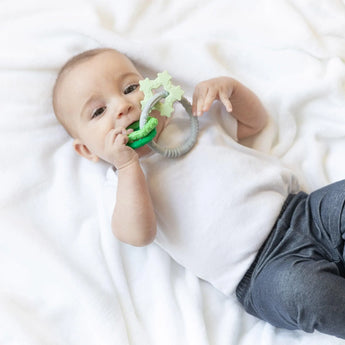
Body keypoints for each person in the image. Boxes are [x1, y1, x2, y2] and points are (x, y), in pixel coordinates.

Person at [52, 47, 345, 339]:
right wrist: (128, 165)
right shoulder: (121, 184)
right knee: (308, 293)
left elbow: (254, 122)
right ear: (87, 149)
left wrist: (231, 91)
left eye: (130, 87)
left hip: (304, 211)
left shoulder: (189, 119)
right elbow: (138, 234)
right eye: (99, 111)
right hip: (261, 271)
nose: (123, 106)